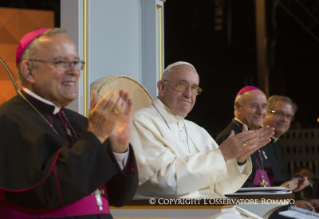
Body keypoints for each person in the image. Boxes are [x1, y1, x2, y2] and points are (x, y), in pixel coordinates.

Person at [0, 28, 138, 219]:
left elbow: (120, 197)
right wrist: (96, 135)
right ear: (29, 70)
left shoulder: (80, 123)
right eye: (61, 62)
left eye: (76, 62)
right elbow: (47, 193)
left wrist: (119, 147)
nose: (74, 71)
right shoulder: (7, 121)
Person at [130, 61, 273, 200]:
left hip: (208, 209)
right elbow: (163, 182)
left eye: (194, 89)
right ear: (162, 88)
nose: (188, 94)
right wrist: (222, 154)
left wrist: (238, 160)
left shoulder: (197, 130)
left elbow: (221, 188)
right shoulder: (142, 122)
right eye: (181, 85)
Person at [215, 87, 307, 190]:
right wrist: (277, 192)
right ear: (238, 107)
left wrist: (290, 186)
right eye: (254, 106)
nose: (260, 112)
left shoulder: (256, 135)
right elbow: (229, 186)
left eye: (263, 107)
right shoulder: (231, 136)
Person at [263, 95, 317, 212]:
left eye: (288, 116)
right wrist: (292, 204)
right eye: (279, 113)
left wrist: (300, 200)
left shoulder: (279, 147)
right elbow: (258, 193)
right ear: (265, 113)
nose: (284, 120)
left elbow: (281, 185)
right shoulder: (256, 145)